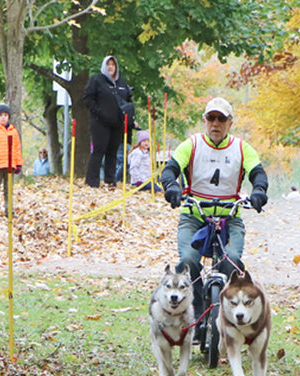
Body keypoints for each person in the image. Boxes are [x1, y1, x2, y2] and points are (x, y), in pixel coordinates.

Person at [160, 97, 268, 321]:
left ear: (230, 123)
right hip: (194, 216)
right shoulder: (192, 144)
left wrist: (259, 190)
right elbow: (170, 169)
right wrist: (171, 187)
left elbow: (258, 172)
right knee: (188, 260)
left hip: (230, 218)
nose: (215, 124)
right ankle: (195, 312)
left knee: (232, 261)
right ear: (204, 120)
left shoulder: (241, 148)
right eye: (211, 118)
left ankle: (231, 316)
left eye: (221, 119)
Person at [83, 55, 134, 188]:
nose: (110, 67)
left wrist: (129, 119)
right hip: (100, 122)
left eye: (113, 65)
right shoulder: (96, 80)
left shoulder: (122, 83)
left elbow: (128, 102)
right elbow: (88, 99)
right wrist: (99, 112)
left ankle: (110, 181)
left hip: (117, 123)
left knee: (113, 152)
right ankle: (92, 181)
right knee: (99, 150)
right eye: (108, 65)